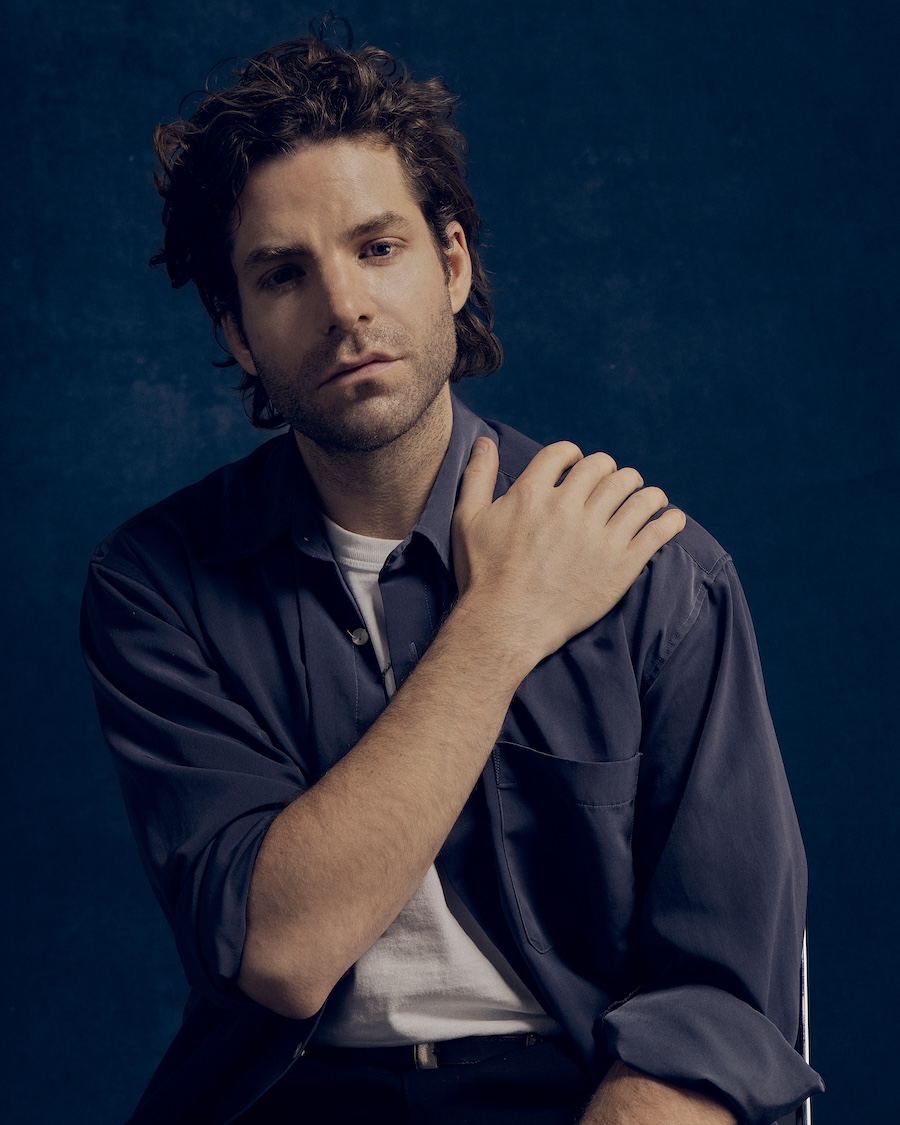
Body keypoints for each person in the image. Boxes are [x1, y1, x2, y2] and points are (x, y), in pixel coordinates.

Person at [81, 34, 823, 1125]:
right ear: (236, 331)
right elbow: (281, 950)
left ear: (454, 264)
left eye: (378, 247)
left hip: (579, 1092)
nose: (343, 306)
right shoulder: (156, 585)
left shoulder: (655, 571)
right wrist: (501, 620)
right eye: (284, 274)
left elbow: (728, 995)